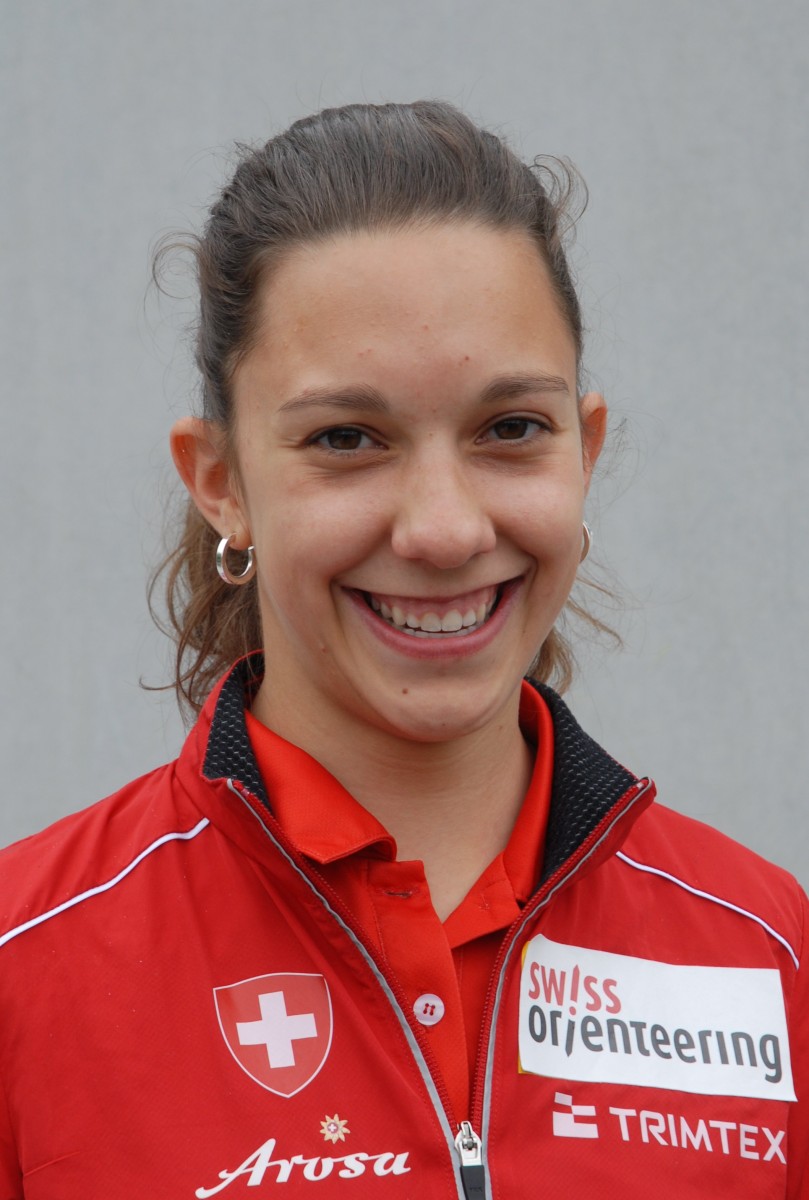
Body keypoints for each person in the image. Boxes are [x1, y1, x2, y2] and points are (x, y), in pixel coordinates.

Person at [0, 102, 805, 1199]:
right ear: (221, 483)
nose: (444, 529)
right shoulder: (28, 963)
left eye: (510, 429)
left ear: (584, 450)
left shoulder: (764, 952)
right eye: (346, 439)